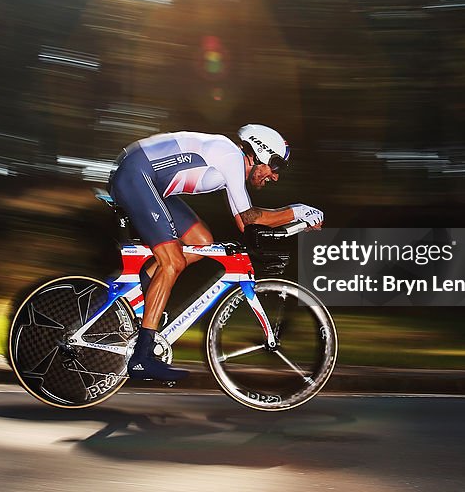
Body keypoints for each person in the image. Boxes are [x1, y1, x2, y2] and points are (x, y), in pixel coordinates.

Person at [108, 124, 324, 382]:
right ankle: (142, 358)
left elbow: (246, 225)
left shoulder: (230, 165)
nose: (275, 177)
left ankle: (150, 280)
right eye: (274, 167)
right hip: (136, 176)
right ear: (259, 152)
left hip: (148, 181)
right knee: (173, 261)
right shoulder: (231, 157)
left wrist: (296, 223)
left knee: (202, 242)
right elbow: (249, 217)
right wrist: (298, 211)